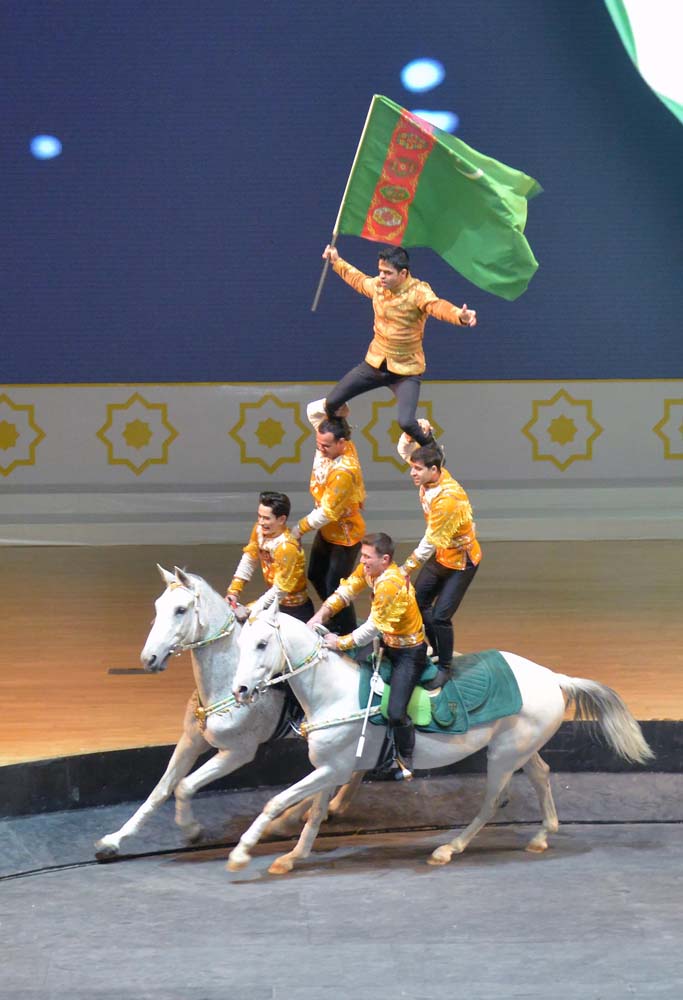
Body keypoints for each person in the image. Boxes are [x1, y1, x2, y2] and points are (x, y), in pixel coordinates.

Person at [319, 244, 477, 447]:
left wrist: (459, 316)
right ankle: (341, 438)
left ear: (403, 273)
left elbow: (437, 306)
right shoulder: (378, 286)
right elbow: (359, 280)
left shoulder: (418, 291)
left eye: (387, 273)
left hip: (406, 371)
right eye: (380, 271)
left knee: (406, 422)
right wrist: (336, 261)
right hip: (375, 363)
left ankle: (432, 448)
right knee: (331, 403)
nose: (382, 276)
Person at [307, 531, 426, 779]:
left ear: (385, 559)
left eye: (367, 557)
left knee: (395, 711)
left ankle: (406, 758)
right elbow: (346, 592)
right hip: (388, 642)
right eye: (361, 555)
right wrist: (320, 616)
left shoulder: (390, 583)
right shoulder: (371, 572)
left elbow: (373, 627)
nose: (362, 561)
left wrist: (338, 643)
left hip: (408, 653)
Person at [397, 423, 481, 670]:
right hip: (443, 555)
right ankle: (435, 649)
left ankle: (446, 665)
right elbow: (405, 451)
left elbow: (431, 539)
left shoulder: (448, 498)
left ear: (433, 470)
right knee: (418, 600)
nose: (412, 473)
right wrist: (409, 430)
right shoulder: (429, 472)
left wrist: (406, 568)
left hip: (461, 562)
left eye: (417, 469)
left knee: (441, 616)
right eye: (412, 468)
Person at [291, 400, 366, 635]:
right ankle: (333, 615)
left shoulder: (345, 470)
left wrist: (299, 529)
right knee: (315, 575)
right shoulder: (329, 442)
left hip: (344, 536)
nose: (321, 449)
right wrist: (335, 406)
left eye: (325, 446)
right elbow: (312, 410)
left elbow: (328, 512)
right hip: (327, 531)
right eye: (318, 444)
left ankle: (346, 629)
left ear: (342, 443)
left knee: (336, 585)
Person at [226, 491, 314, 623]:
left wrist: (252, 609)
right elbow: (250, 558)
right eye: (259, 516)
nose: (261, 522)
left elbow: (281, 590)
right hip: (272, 603)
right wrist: (234, 591)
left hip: (293, 610)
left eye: (266, 518)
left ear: (282, 519)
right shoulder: (259, 530)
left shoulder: (286, 547)